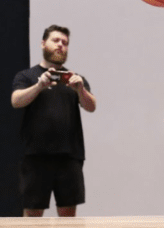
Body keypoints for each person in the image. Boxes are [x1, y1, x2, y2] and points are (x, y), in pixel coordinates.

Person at [11, 25, 97, 217]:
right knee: (32, 216)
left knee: (68, 218)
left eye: (65, 43)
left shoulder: (75, 79)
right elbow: (16, 101)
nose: (61, 46)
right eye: (56, 40)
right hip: (35, 157)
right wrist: (39, 85)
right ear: (43, 43)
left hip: (69, 157)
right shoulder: (27, 76)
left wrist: (80, 90)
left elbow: (91, 106)